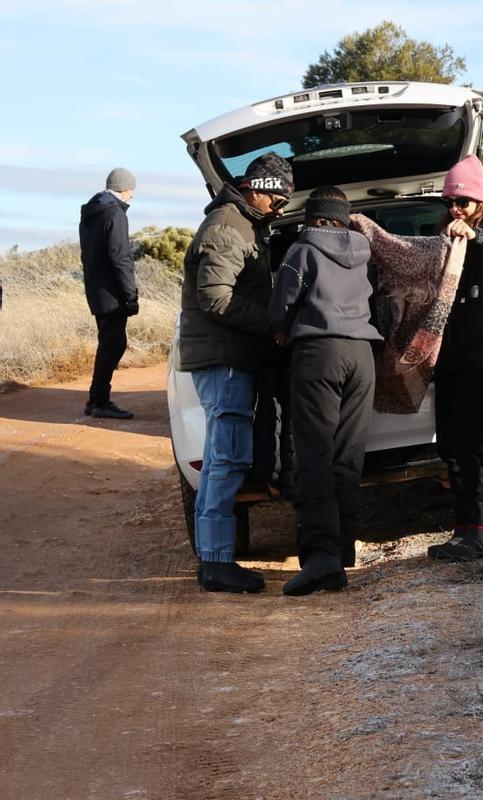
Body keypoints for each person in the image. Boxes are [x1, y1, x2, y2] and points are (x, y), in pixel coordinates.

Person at [179, 152, 293, 594]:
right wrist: (273, 321)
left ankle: (216, 559)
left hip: (231, 357)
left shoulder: (245, 225)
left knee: (225, 457)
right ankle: (216, 562)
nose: (280, 207)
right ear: (258, 189)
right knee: (224, 460)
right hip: (223, 360)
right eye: (278, 199)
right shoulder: (228, 227)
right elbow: (215, 298)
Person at [269, 186, 381, 596]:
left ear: (314, 218)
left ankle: (320, 561)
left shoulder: (302, 250)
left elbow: (282, 304)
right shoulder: (365, 252)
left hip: (319, 353)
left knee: (314, 455)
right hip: (362, 355)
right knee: (347, 458)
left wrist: (282, 331)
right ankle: (341, 555)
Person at [425, 155, 483, 562]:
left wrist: (474, 235)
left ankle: (480, 531)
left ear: (480, 201)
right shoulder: (446, 235)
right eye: (450, 203)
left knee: (467, 440)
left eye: (462, 202)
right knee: (449, 441)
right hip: (450, 356)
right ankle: (465, 529)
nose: (455, 210)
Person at [79, 167, 139, 419]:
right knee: (112, 345)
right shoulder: (115, 213)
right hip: (113, 293)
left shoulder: (91, 213)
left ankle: (97, 399)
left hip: (96, 289)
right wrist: (130, 295)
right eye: (131, 192)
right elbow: (120, 257)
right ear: (123, 189)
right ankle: (99, 400)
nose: (132, 197)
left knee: (110, 343)